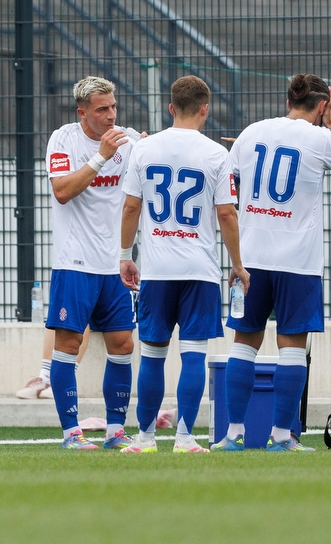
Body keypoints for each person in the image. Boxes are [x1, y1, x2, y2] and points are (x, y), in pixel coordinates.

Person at [217, 80, 331, 451]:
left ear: (288, 100)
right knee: (292, 348)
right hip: (298, 261)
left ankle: (233, 434)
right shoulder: (323, 139)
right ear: (323, 106)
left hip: (250, 257)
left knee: (243, 344)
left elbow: (230, 187)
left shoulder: (251, 133)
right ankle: (281, 437)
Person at [112, 76, 241, 453]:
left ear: (170, 108)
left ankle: (146, 438)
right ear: (205, 108)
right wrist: (238, 264)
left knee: (151, 353)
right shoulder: (217, 154)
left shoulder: (145, 149)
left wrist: (125, 256)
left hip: (157, 269)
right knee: (193, 355)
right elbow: (227, 215)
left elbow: (131, 207)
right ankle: (184, 438)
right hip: (199, 270)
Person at [42, 77, 141, 451]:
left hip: (114, 263)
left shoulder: (126, 140)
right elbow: (63, 191)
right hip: (75, 261)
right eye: (102, 109)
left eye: (113, 107)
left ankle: (116, 430)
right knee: (68, 344)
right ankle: (71, 434)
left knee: (123, 344)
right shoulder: (63, 139)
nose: (111, 115)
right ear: (82, 111)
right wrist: (100, 155)